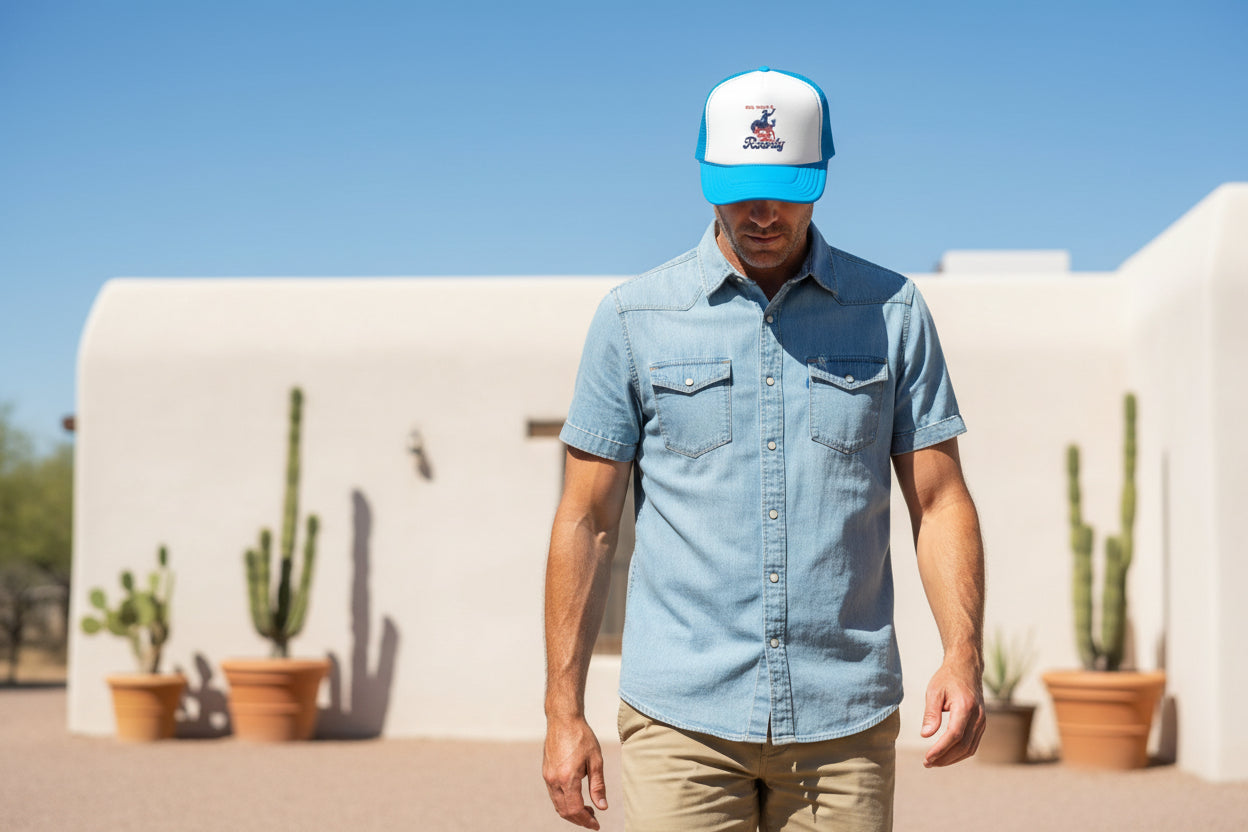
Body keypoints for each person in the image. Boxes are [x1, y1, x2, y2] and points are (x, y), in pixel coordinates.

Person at [542, 67, 985, 832]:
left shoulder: (892, 312)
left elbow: (940, 500)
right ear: (706, 175)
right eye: (739, 185)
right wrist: (561, 710)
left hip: (842, 720)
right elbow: (586, 522)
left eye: (783, 186)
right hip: (680, 717)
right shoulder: (632, 320)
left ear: (821, 174)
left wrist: (963, 651)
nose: (761, 210)